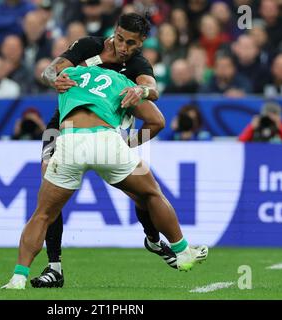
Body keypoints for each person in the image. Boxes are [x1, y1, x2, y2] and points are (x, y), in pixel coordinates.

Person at [1, 65, 209, 290]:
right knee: (150, 194)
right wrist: (131, 142)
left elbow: (47, 74)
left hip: (70, 140)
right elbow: (157, 121)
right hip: (107, 142)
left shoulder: (69, 74)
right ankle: (181, 249)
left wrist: (52, 80)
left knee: (42, 215)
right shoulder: (122, 83)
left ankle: (18, 278)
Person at [30, 13, 197, 288]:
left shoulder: (137, 64)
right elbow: (50, 70)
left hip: (108, 135)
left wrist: (133, 130)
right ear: (114, 31)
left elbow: (152, 91)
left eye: (131, 43)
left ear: (142, 42)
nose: (123, 47)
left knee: (144, 194)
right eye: (119, 38)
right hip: (60, 126)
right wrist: (53, 80)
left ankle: (153, 241)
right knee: (49, 195)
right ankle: (54, 267)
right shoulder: (87, 45)